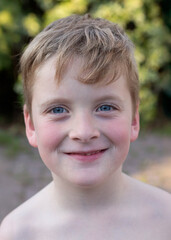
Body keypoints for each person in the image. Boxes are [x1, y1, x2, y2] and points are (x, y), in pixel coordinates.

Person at [0, 14, 171, 240]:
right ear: (31, 125)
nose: (83, 132)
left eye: (106, 107)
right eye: (58, 110)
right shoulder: (18, 232)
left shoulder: (166, 219)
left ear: (134, 120)